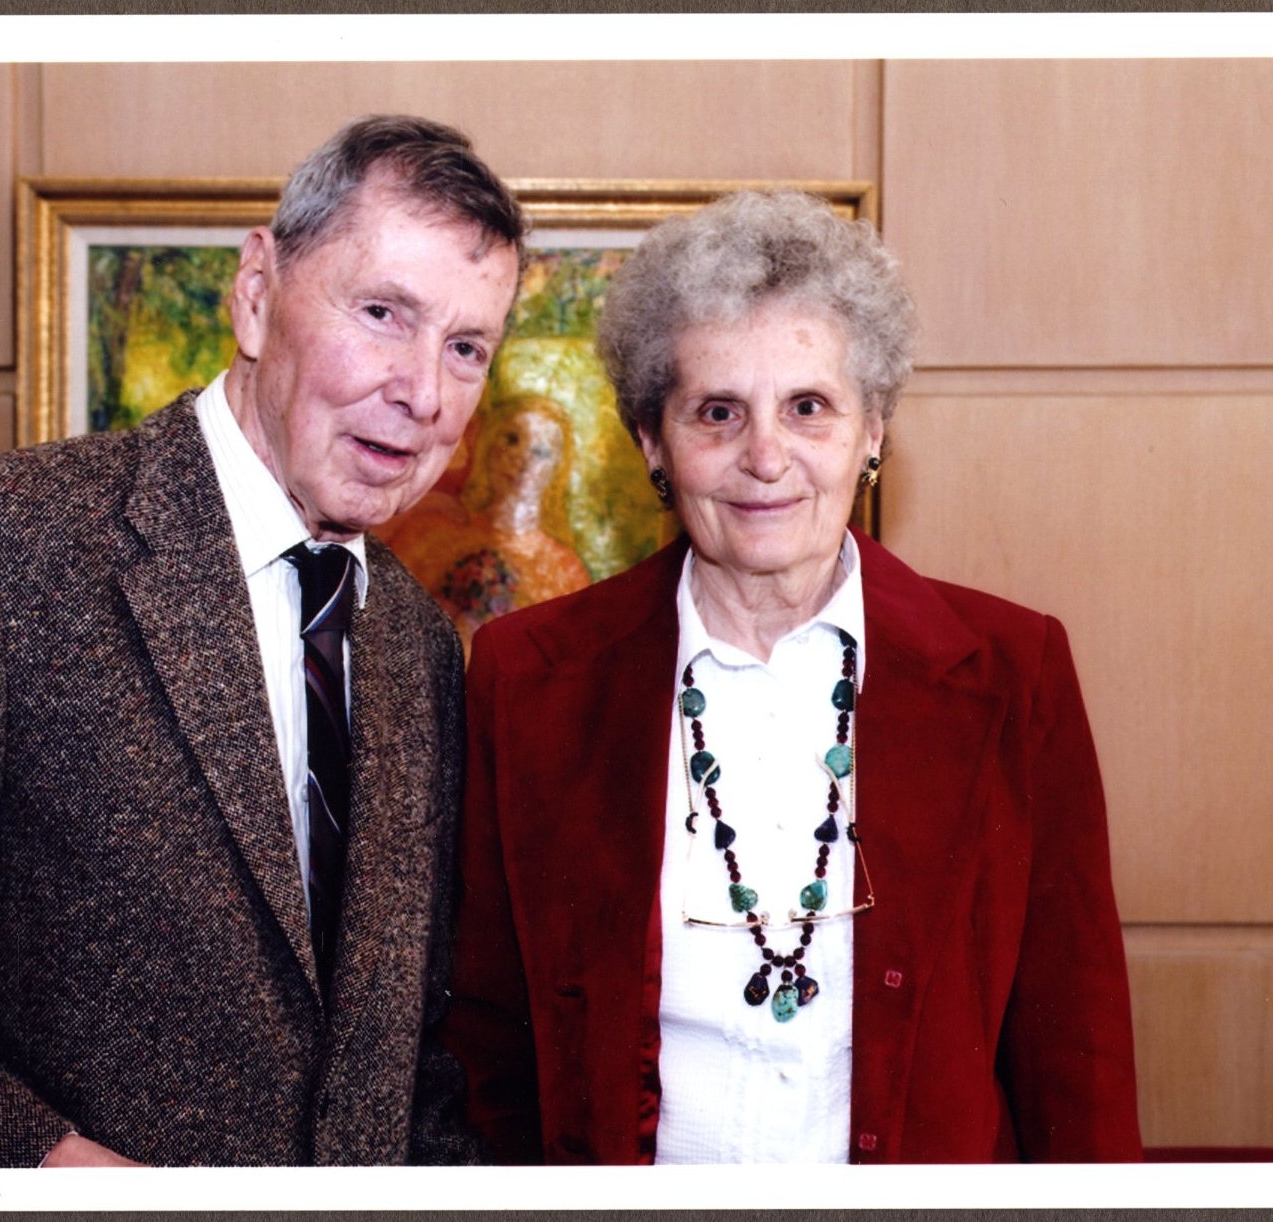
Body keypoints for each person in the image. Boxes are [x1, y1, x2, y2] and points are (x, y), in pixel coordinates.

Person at [0, 114, 525, 1168]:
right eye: (380, 313)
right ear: (258, 295)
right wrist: (48, 1170)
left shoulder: (416, 642)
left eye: (465, 348)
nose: (421, 393)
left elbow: (403, 1068)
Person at [438, 191, 1142, 1164]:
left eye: (807, 407)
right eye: (716, 412)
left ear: (873, 428)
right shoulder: (529, 679)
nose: (764, 457)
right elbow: (483, 1041)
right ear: (651, 440)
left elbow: (1077, 1051)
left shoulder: (1012, 672)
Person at [389, 394, 591, 653]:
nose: (522, 460)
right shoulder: (428, 534)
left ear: (557, 469)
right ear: (488, 443)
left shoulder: (567, 572)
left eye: (541, 452)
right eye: (512, 439)